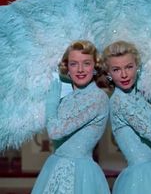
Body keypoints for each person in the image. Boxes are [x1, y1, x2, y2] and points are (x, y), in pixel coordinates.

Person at [102, 40, 151, 194]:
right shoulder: (119, 101)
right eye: (116, 69)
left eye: (129, 67)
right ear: (109, 74)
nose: (124, 74)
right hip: (141, 177)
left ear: (137, 68)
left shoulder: (139, 93)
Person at [31, 40, 111, 194]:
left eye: (86, 63)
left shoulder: (98, 97)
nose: (80, 69)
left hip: (81, 174)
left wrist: (51, 104)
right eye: (74, 64)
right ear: (67, 68)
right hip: (54, 167)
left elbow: (55, 132)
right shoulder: (66, 97)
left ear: (95, 67)